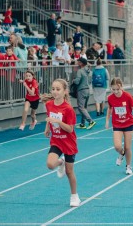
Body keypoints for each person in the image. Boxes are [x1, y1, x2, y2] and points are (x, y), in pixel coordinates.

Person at [42, 79, 81, 207]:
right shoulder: (49, 104)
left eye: (58, 89)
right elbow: (49, 117)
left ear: (65, 91)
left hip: (68, 142)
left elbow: (70, 129)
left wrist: (57, 122)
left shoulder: (68, 109)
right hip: (56, 140)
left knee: (69, 172)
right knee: (50, 164)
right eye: (53, 89)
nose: (55, 92)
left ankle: (74, 196)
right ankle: (61, 162)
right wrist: (47, 128)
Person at [106, 77, 133, 175]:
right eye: (113, 89)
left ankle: (128, 166)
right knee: (117, 146)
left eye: (118, 89)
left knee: (127, 147)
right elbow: (109, 109)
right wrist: (107, 120)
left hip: (128, 123)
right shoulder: (110, 98)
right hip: (117, 124)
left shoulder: (128, 96)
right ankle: (121, 153)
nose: (115, 92)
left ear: (121, 87)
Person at [73, 57, 96, 130]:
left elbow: (78, 81)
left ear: (81, 63)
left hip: (81, 90)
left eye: (78, 62)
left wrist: (74, 80)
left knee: (81, 107)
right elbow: (89, 81)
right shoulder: (89, 71)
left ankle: (90, 121)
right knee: (84, 107)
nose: (77, 63)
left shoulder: (80, 71)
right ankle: (82, 123)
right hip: (87, 90)